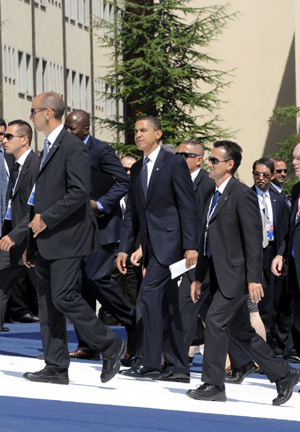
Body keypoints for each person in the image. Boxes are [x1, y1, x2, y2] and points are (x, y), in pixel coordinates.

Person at [22, 92, 126, 385]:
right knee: (47, 303)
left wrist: (47, 218)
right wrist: (31, 242)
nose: (31, 116)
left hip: (68, 236)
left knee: (63, 296)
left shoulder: (72, 146)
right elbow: (39, 198)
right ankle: (56, 366)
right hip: (45, 238)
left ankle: (110, 344)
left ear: (47, 113)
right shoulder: (50, 146)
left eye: (33, 111)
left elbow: (79, 192)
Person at [186, 140, 299, 405]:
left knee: (214, 322)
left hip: (235, 276)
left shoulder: (241, 194)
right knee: (240, 331)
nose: (210, 164)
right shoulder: (210, 194)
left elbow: (252, 241)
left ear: (229, 165)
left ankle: (213, 384)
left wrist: (253, 279)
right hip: (215, 274)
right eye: (210, 160)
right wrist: (199, 277)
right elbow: (205, 240)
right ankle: (284, 375)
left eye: (214, 160)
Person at [117, 115, 198, 383]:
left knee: (148, 296)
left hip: (172, 246)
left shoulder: (174, 163)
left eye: (144, 130)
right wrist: (124, 248)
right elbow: (133, 215)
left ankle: (150, 362)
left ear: (158, 134)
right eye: (135, 130)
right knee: (168, 305)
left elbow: (188, 207)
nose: (138, 134)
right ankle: (177, 367)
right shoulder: (138, 168)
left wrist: (190, 246)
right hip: (151, 248)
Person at [63, 110, 136, 361]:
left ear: (86, 129)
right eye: (66, 127)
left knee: (98, 279)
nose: (68, 132)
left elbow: (122, 182)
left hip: (103, 227)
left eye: (73, 128)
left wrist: (101, 204)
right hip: (75, 229)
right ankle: (88, 344)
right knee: (80, 285)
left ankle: (134, 327)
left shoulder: (101, 150)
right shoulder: (63, 149)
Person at [175, 141, 214, 359]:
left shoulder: (207, 183)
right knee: (206, 309)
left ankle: (178, 361)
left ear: (199, 159)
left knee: (186, 305)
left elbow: (202, 223)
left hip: (198, 256)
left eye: (185, 155)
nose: (179, 158)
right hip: (176, 254)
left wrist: (194, 250)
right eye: (177, 154)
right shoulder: (177, 180)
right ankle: (241, 359)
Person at [0, 120, 40, 330]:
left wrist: (15, 234)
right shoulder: (15, 165)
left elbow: (34, 209)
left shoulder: (35, 165)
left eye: (9, 136)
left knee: (47, 294)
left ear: (24, 140)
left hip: (30, 240)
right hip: (12, 238)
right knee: (3, 280)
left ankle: (97, 341)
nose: (4, 140)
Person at [272, 142, 300, 363]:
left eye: (298, 158)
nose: (293, 163)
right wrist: (281, 253)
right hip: (295, 265)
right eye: (293, 158)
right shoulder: (297, 189)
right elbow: (291, 228)